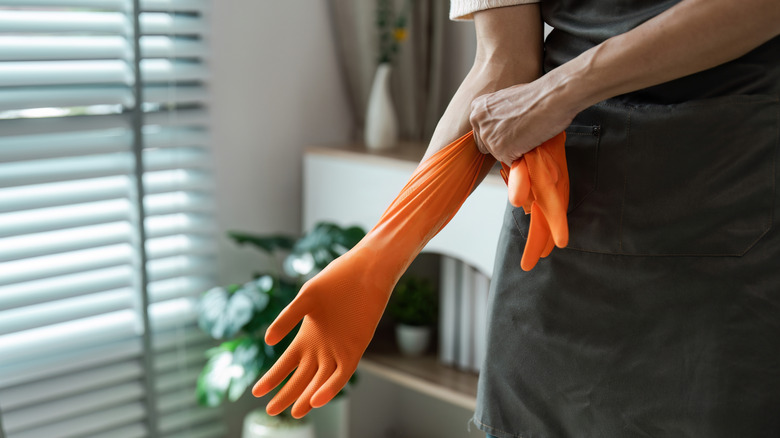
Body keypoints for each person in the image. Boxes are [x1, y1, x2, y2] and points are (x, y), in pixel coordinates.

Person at [254, 1, 780, 437]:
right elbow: (501, 63)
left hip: (723, 199)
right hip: (563, 210)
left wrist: (559, 92)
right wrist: (378, 257)